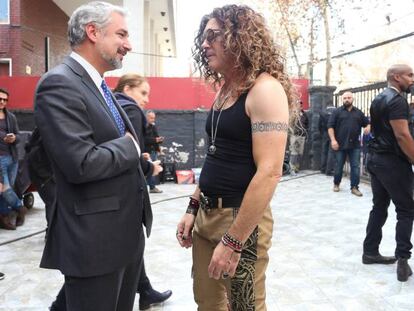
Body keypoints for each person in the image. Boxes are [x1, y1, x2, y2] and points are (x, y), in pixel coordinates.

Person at [176, 5, 294, 310]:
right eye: (203, 38)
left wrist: (234, 240)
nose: (204, 44)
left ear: (239, 38)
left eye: (213, 36)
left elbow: (270, 171)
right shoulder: (225, 88)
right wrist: (193, 206)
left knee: (245, 306)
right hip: (206, 214)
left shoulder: (265, 90)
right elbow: (217, 157)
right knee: (208, 303)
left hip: (240, 220)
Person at [34, 2, 150, 310]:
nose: (129, 44)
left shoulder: (97, 84)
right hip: (95, 245)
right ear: (93, 32)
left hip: (123, 238)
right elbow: (81, 163)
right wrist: (130, 147)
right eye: (122, 34)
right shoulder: (59, 83)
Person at [114, 74, 172, 310]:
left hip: (114, 194)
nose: (146, 100)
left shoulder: (111, 104)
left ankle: (146, 289)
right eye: (143, 93)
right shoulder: (132, 110)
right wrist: (150, 166)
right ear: (128, 89)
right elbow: (128, 154)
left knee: (132, 248)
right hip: (125, 194)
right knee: (131, 246)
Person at [362, 64, 414, 282]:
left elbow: (375, 129)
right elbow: (402, 135)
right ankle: (403, 261)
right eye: (409, 75)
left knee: (379, 206)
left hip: (375, 160)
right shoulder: (397, 101)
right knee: (406, 209)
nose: (412, 79)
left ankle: (370, 251)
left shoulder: (378, 98)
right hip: (392, 161)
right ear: (396, 77)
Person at [328, 91, 369, 196]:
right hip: (339, 144)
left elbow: (367, 123)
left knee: (355, 167)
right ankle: (336, 183)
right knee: (339, 166)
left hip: (354, 145)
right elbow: (330, 127)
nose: (347, 99)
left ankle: (354, 187)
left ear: (352, 99)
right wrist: (333, 140)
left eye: (349, 98)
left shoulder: (358, 113)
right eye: (345, 98)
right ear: (343, 99)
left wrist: (368, 127)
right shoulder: (337, 112)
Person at [0, 87, 26, 230]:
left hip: (12, 158)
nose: (2, 102)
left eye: (5, 100)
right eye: (0, 99)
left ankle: (3, 217)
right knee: (5, 189)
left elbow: (19, 136)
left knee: (6, 190)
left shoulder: (11, 117)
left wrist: (14, 138)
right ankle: (20, 208)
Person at [144, 111, 164, 193]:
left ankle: (152, 187)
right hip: (147, 151)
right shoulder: (143, 127)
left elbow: (156, 137)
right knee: (149, 170)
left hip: (153, 151)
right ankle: (151, 187)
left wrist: (159, 141)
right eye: (151, 118)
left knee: (153, 170)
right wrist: (155, 140)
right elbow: (144, 140)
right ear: (147, 117)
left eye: (154, 118)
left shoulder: (153, 127)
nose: (153, 119)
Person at [289, 100, 308, 174]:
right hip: (294, 135)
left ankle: (297, 167)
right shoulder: (292, 114)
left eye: (300, 105)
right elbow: (289, 124)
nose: (299, 106)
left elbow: (307, 124)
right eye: (297, 105)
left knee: (300, 153)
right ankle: (292, 169)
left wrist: (306, 133)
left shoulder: (304, 114)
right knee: (294, 152)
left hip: (302, 136)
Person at [319, 105, 336, 175]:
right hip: (333, 133)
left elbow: (319, 125)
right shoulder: (335, 112)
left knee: (324, 152)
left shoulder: (323, 113)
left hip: (325, 134)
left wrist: (322, 133)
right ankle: (329, 170)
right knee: (331, 152)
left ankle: (323, 169)